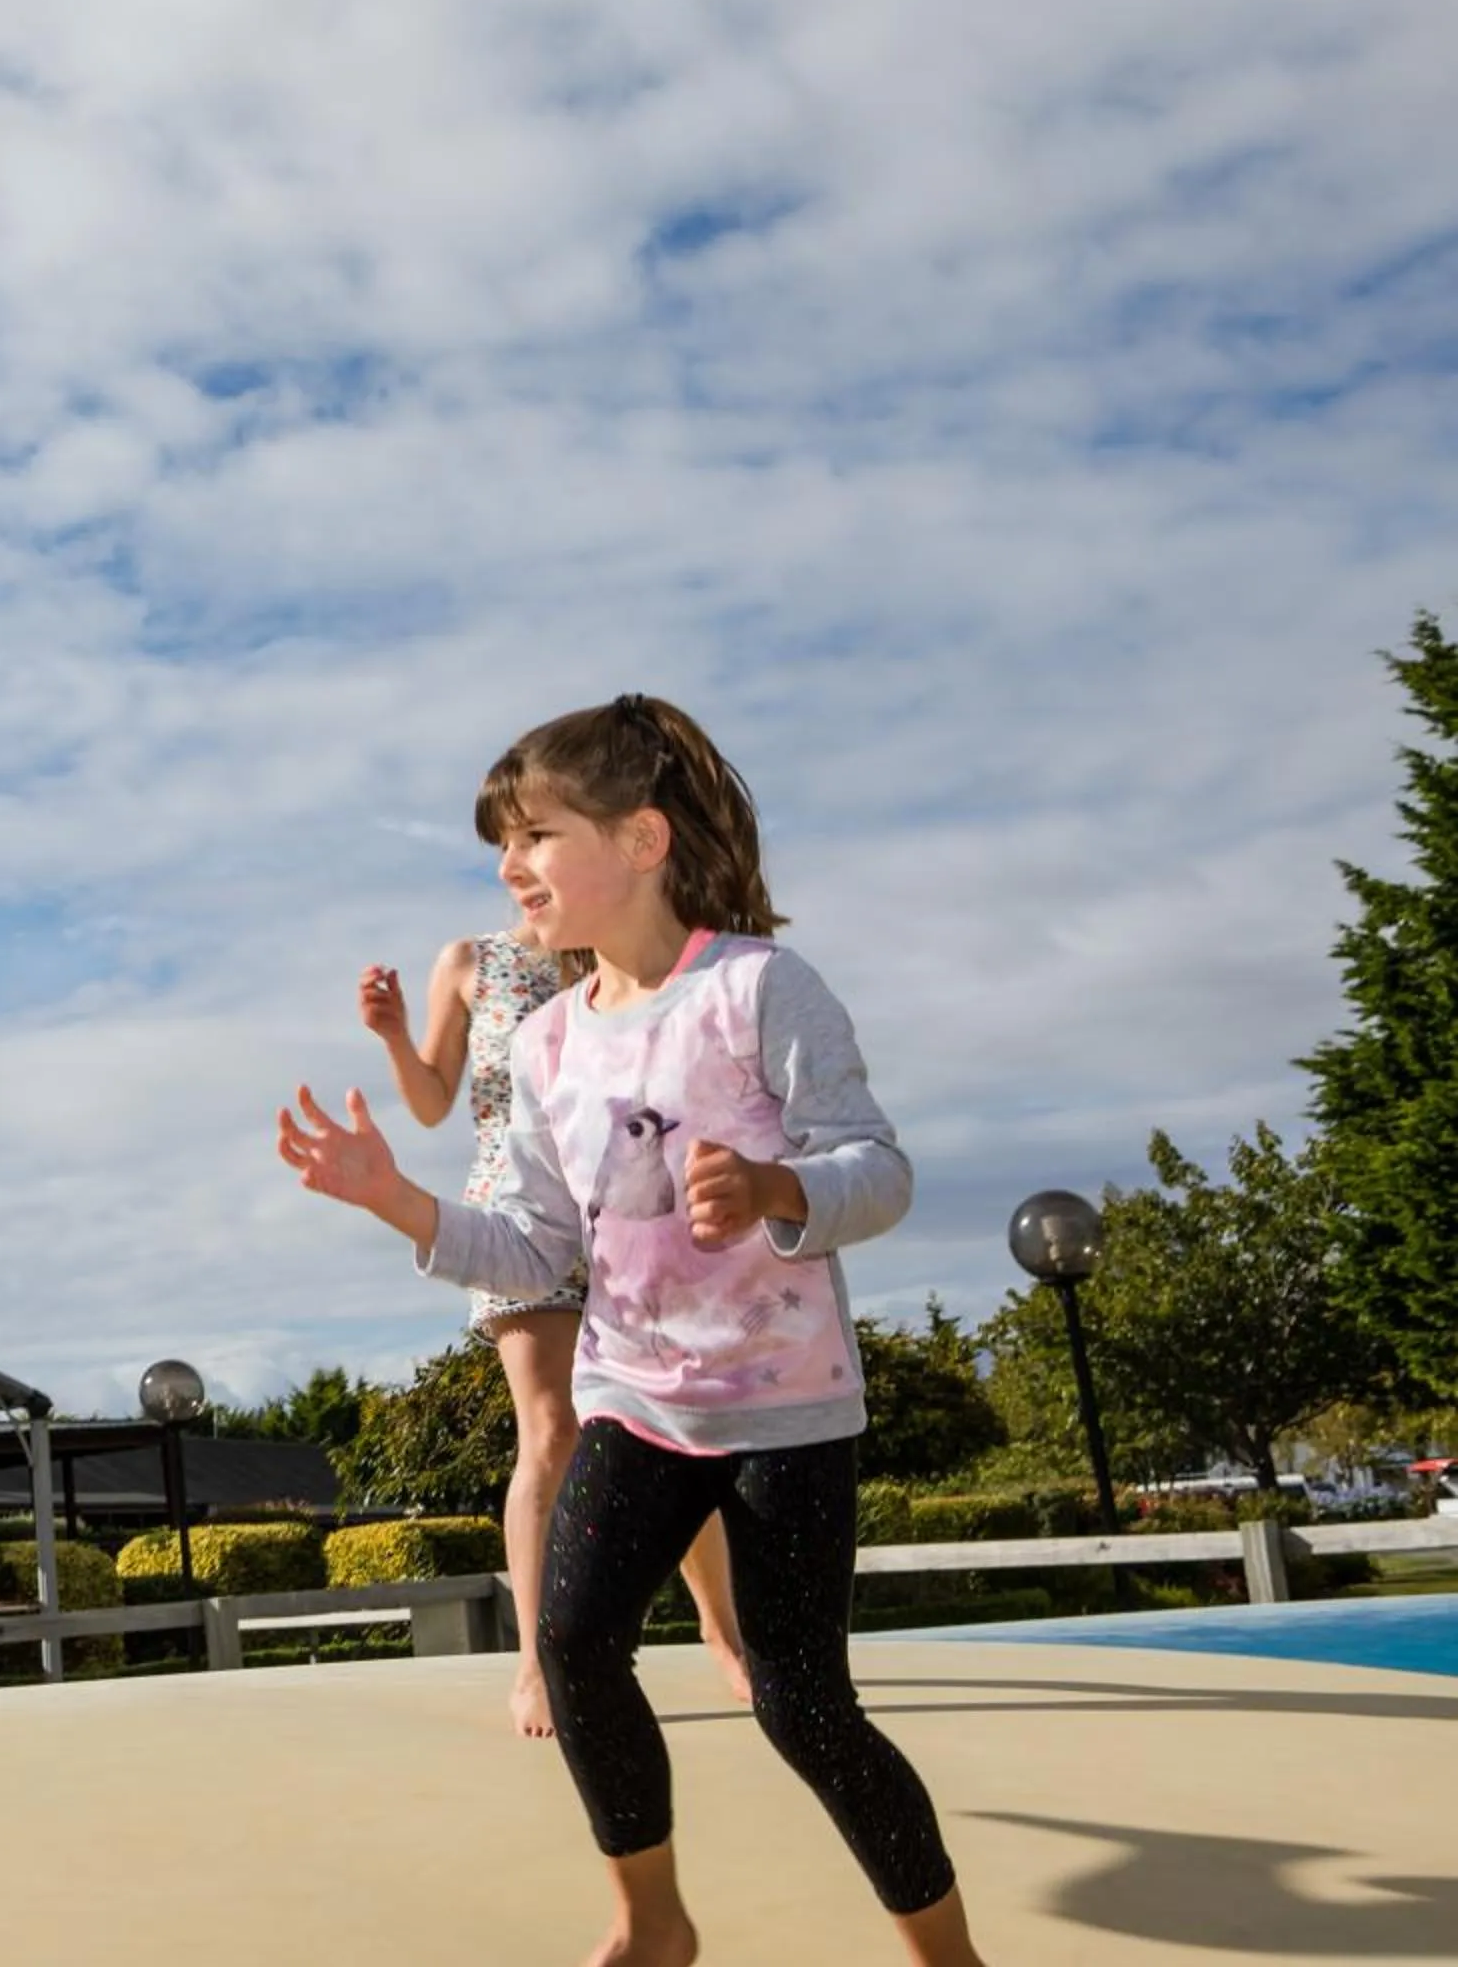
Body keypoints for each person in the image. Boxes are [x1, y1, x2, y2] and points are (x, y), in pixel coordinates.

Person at [282, 695, 981, 1967]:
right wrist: (398, 1200)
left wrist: (782, 1191)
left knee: (805, 1705)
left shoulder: (761, 987)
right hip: (635, 1400)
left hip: (785, 1413)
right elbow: (542, 1250)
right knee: (574, 1642)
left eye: (535, 836)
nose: (509, 868)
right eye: (504, 843)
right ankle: (652, 1918)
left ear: (642, 839)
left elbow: (878, 1170)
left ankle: (950, 1957)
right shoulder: (547, 1040)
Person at [361, 928, 753, 1737]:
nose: (524, 863)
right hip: (516, 1209)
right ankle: (539, 1665)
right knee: (551, 1429)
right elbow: (435, 1101)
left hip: (627, 1203)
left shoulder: (624, 949)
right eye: (514, 843)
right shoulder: (472, 961)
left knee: (668, 1424)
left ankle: (724, 1632)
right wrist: (396, 1035)